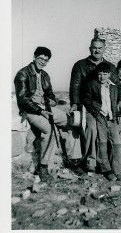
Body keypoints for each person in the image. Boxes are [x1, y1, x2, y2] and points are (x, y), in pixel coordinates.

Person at [14, 46, 83, 183]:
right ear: (34, 57)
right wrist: (40, 111)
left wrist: (52, 101)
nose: (43, 62)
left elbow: (51, 95)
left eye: (46, 60)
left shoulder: (45, 75)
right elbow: (23, 99)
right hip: (31, 110)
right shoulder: (22, 74)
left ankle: (73, 160)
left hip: (45, 107)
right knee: (49, 130)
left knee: (71, 121)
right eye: (40, 58)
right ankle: (43, 166)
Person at [69, 37, 121, 172]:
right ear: (90, 49)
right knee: (92, 127)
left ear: (104, 49)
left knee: (119, 128)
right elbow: (75, 87)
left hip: (106, 108)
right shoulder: (80, 65)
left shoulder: (110, 67)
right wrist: (75, 104)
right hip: (87, 105)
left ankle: (113, 164)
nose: (97, 50)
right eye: (94, 48)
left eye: (100, 48)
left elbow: (119, 87)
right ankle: (90, 162)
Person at [83, 62, 121, 181]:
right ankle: (106, 169)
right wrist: (95, 111)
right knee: (102, 142)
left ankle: (117, 169)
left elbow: (118, 102)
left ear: (110, 74)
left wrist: (119, 114)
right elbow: (86, 99)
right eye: (100, 74)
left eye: (105, 74)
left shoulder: (113, 86)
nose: (102, 76)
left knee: (116, 142)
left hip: (112, 118)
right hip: (100, 117)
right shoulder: (92, 84)